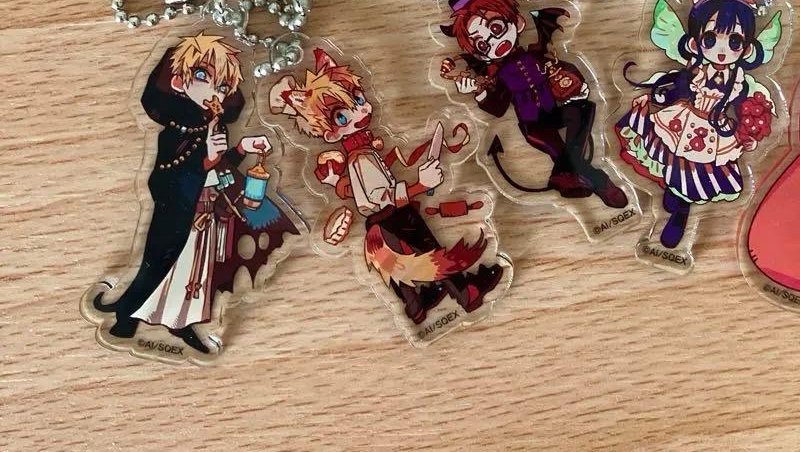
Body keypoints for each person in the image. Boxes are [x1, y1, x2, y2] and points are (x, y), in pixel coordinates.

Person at [92, 34, 297, 354]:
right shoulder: (175, 131)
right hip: (177, 212)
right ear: (178, 81)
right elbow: (165, 178)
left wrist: (241, 149)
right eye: (203, 76)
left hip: (207, 214)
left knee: (196, 272)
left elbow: (221, 166)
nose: (215, 90)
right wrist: (208, 160)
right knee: (159, 265)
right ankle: (126, 319)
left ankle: (183, 323)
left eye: (223, 86)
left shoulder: (215, 127)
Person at [270, 49, 503, 326]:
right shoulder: (360, 158)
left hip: (383, 221)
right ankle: (466, 293)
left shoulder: (362, 153)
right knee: (431, 253)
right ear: (331, 133)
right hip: (393, 216)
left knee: (400, 264)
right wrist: (421, 184)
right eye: (342, 116)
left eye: (358, 99)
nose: (360, 110)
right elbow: (382, 196)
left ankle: (417, 305)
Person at [441, 0, 628, 207]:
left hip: (554, 112)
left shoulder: (536, 55)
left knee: (583, 109)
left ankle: (565, 176)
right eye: (482, 44)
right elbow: (497, 108)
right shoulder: (499, 75)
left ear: (518, 22)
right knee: (563, 152)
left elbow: (560, 68)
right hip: (534, 126)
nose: (494, 41)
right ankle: (600, 183)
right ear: (480, 54)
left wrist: (576, 84)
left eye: (496, 28)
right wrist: (477, 92)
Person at [616, 0, 780, 248]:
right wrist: (654, 97)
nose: (722, 50)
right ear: (695, 42)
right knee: (671, 158)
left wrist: (749, 134)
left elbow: (749, 109)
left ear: (747, 49)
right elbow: (674, 88)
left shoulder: (739, 81)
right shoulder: (695, 70)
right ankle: (675, 194)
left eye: (734, 42)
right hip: (682, 119)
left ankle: (680, 215)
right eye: (711, 39)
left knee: (695, 174)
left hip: (714, 132)